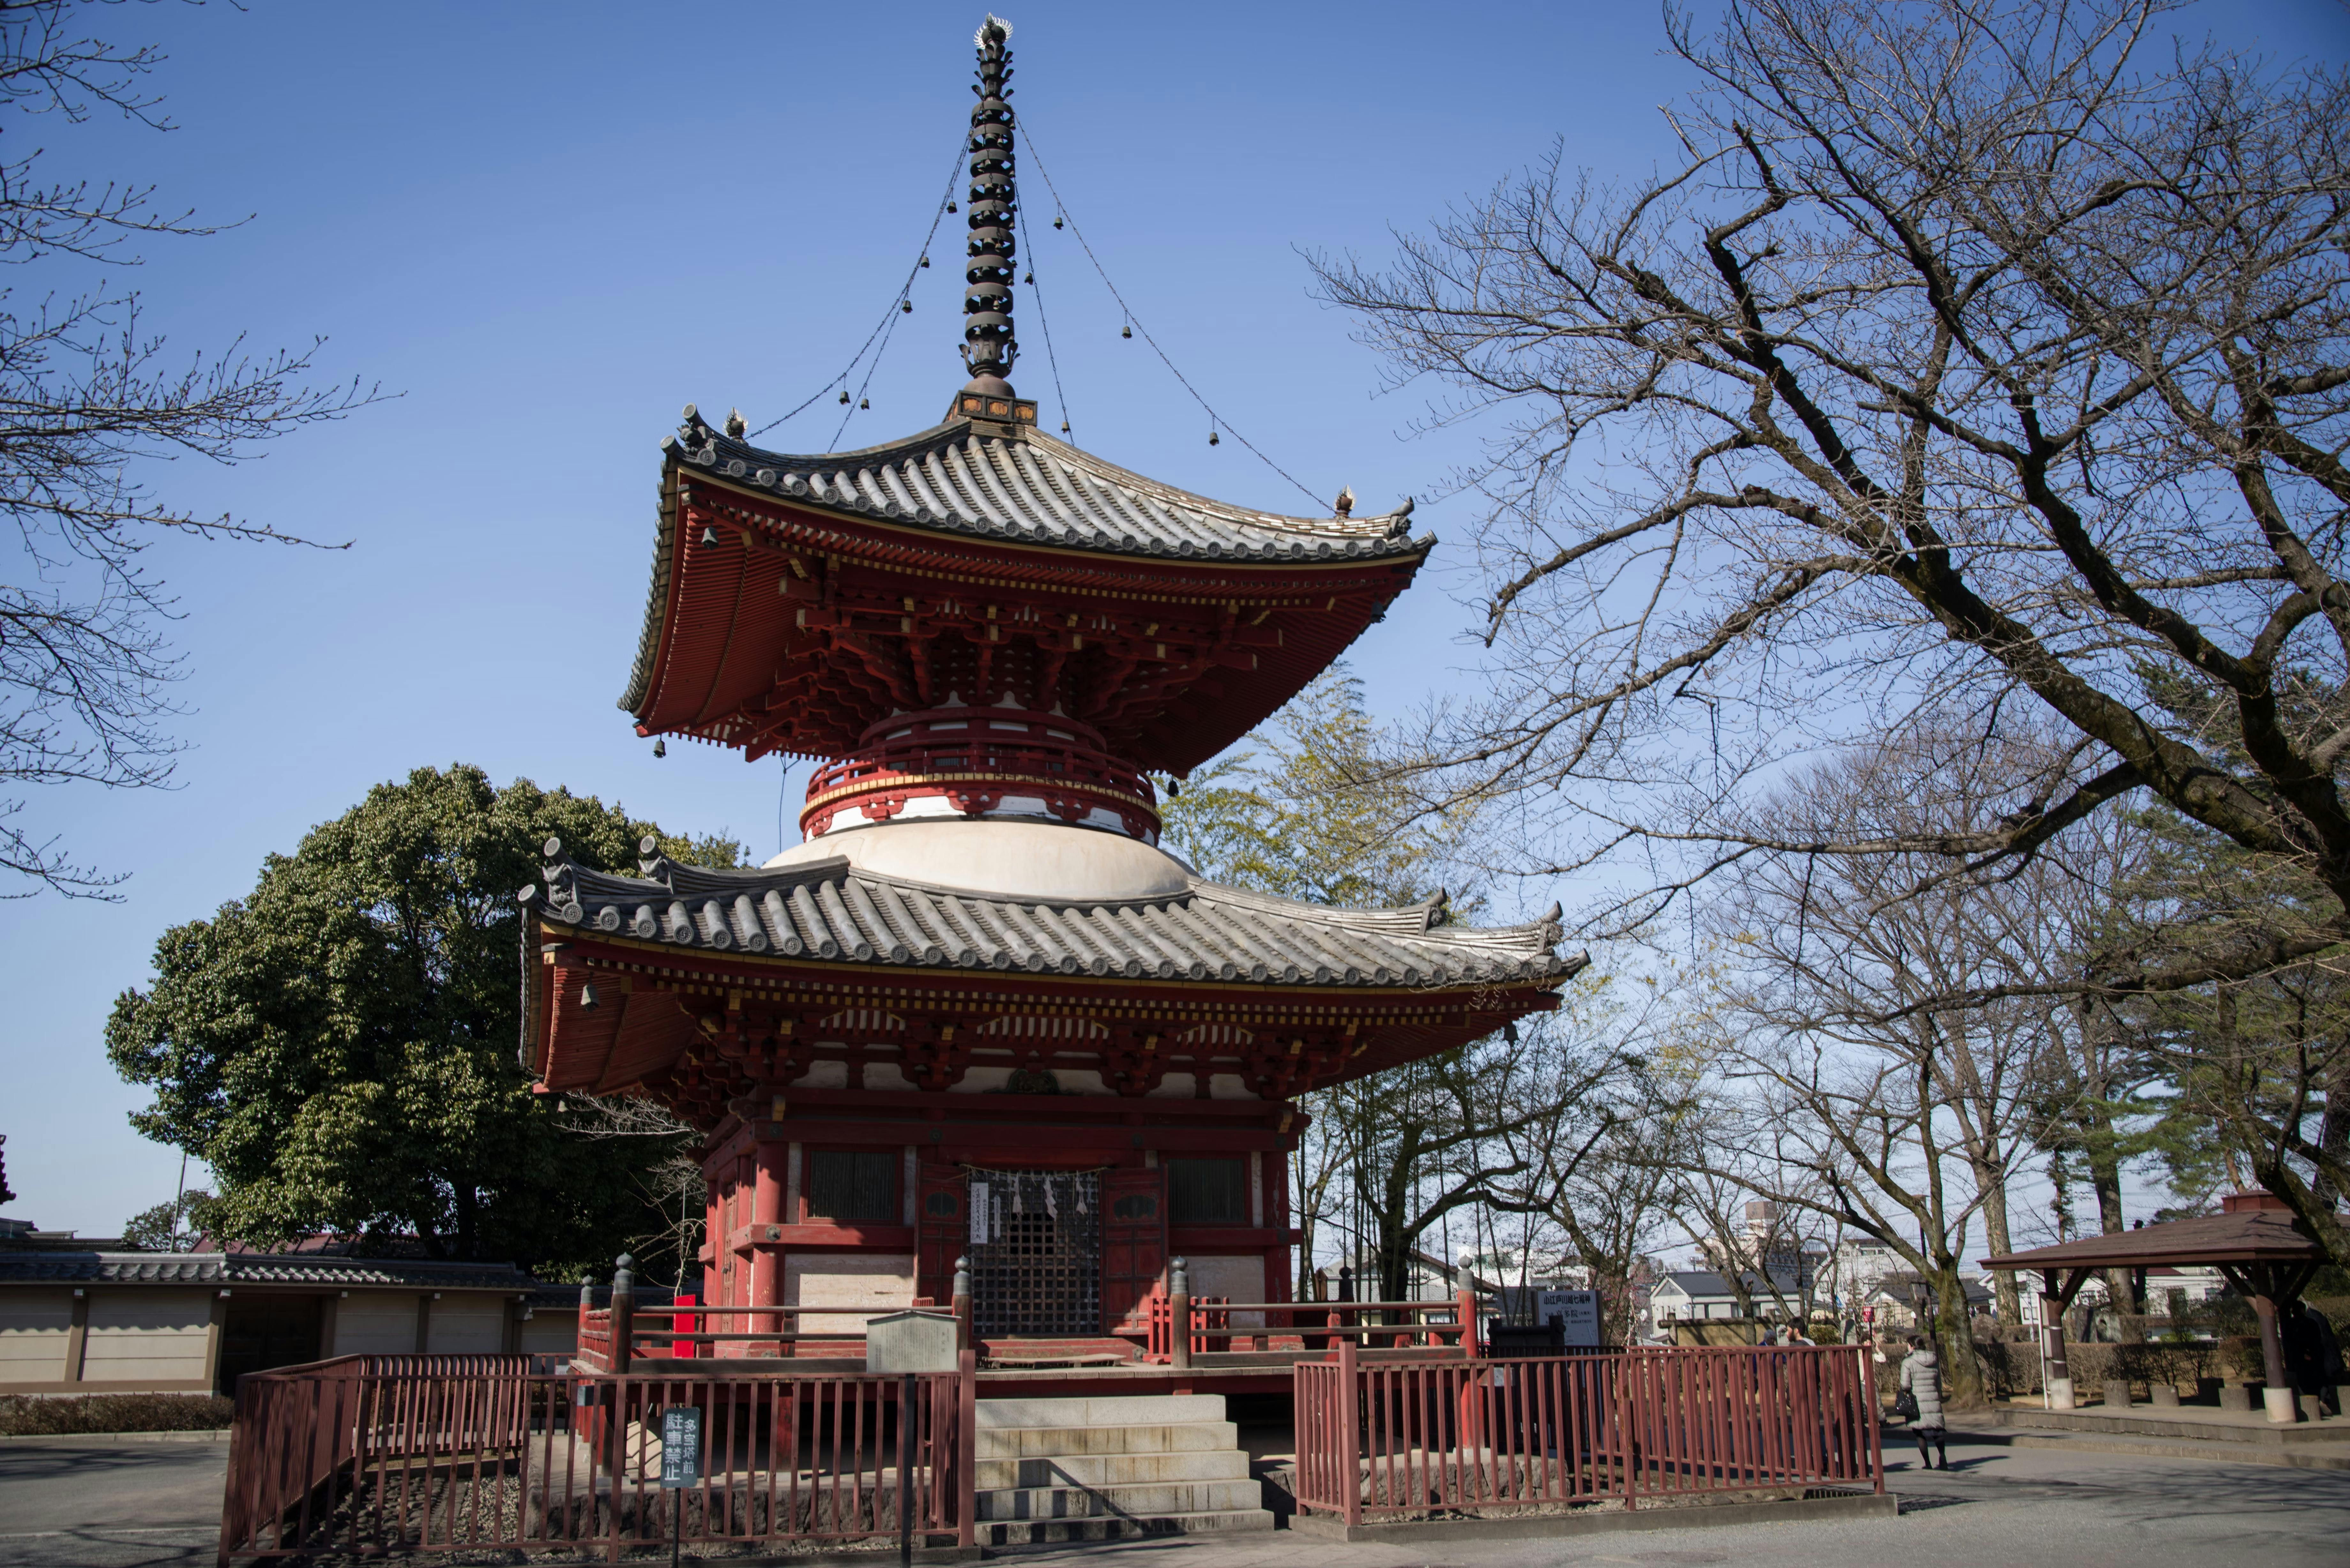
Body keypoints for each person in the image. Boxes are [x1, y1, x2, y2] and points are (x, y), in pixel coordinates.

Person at [1899, 1335, 1948, 1469]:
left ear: (1912, 1347)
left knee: (1920, 1432)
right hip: (1933, 1399)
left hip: (1918, 1401)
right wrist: (1936, 1395)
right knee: (1937, 1430)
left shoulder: (1908, 1362)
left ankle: (1928, 1464)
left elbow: (1905, 1385)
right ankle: (1943, 1456)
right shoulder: (1933, 1360)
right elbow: (1938, 1383)